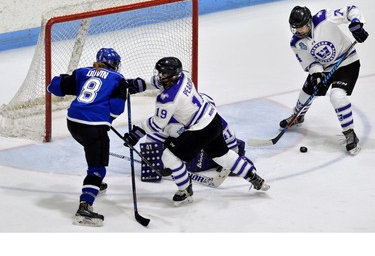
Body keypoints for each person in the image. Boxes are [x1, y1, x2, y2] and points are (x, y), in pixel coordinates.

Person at [124, 57, 270, 206]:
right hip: (213, 120)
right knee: (222, 156)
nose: (159, 76)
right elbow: (157, 83)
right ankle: (255, 178)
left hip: (200, 129)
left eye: (162, 74)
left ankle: (185, 190)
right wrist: (137, 84)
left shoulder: (168, 98)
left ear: (170, 76)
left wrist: (137, 131)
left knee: (169, 157)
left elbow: (157, 124)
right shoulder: (183, 78)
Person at [47, 48, 146, 226]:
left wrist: (62, 78)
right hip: (93, 128)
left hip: (73, 123)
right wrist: (107, 117)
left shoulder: (83, 72)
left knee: (91, 150)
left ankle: (94, 184)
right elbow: (116, 109)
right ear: (115, 64)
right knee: (98, 167)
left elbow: (54, 87)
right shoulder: (119, 80)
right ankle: (84, 208)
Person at [280, 5, 369, 155]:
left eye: (301, 27)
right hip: (325, 67)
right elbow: (310, 62)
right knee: (305, 93)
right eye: (296, 28)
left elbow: (350, 10)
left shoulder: (323, 18)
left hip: (347, 61)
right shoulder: (296, 42)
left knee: (337, 96)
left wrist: (356, 23)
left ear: (309, 21)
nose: (299, 31)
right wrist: (317, 74)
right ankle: (297, 116)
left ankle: (349, 133)